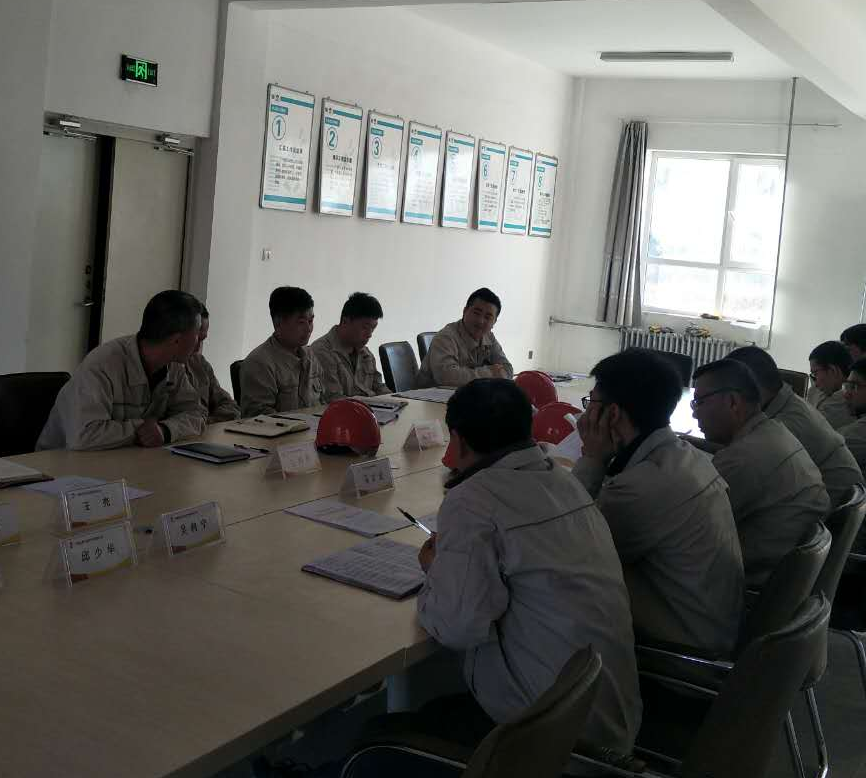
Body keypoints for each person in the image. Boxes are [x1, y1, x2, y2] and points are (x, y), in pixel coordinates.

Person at [417, 378, 641, 754]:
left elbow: (457, 628)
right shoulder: (565, 482)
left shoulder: (473, 499)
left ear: (458, 441)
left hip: (546, 742)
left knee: (380, 731)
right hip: (605, 718)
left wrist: (435, 569)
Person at [573, 349, 743, 655]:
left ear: (613, 414)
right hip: (707, 625)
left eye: (591, 404)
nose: (585, 417)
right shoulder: (686, 457)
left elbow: (566, 548)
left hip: (675, 651)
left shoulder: (641, 487)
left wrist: (593, 459)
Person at [691, 359, 830, 587]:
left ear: (733, 402)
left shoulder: (743, 458)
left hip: (745, 589)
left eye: (699, 402)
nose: (695, 415)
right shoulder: (775, 432)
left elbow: (686, 527)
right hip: (782, 582)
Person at [37, 290, 206, 451]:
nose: (199, 344)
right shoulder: (102, 364)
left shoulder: (173, 365)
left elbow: (196, 414)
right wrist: (141, 429)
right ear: (176, 340)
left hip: (122, 459)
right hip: (59, 463)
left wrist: (166, 430)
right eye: (197, 335)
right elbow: (83, 435)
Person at [727, 346, 862, 509]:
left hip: (828, 508)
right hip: (828, 500)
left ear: (751, 386)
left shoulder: (785, 423)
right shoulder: (789, 404)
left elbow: (741, 467)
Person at [240, 286, 325, 417]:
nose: (308, 328)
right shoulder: (259, 363)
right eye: (301, 322)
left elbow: (323, 401)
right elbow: (260, 419)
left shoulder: (310, 356)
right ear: (278, 323)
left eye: (311, 321)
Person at [415, 288, 513, 388]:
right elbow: (446, 377)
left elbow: (508, 369)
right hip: (431, 395)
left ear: (494, 322)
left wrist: (497, 374)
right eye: (476, 313)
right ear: (465, 311)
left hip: (468, 394)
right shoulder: (445, 337)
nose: (480, 321)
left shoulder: (489, 337)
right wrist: (489, 373)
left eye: (488, 317)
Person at [310, 292, 389, 401]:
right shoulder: (322, 351)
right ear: (345, 321)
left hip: (372, 409)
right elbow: (334, 398)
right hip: (347, 410)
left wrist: (396, 401)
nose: (369, 334)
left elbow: (379, 388)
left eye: (373, 328)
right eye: (365, 327)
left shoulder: (365, 353)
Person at [185, 305, 240, 423]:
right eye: (195, 339)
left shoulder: (201, 364)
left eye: (202, 340)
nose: (198, 347)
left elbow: (231, 406)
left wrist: (204, 423)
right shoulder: (165, 367)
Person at [807, 340, 855, 429]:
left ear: (833, 370)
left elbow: (806, 429)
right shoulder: (815, 391)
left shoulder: (846, 402)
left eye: (815, 373)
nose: (816, 384)